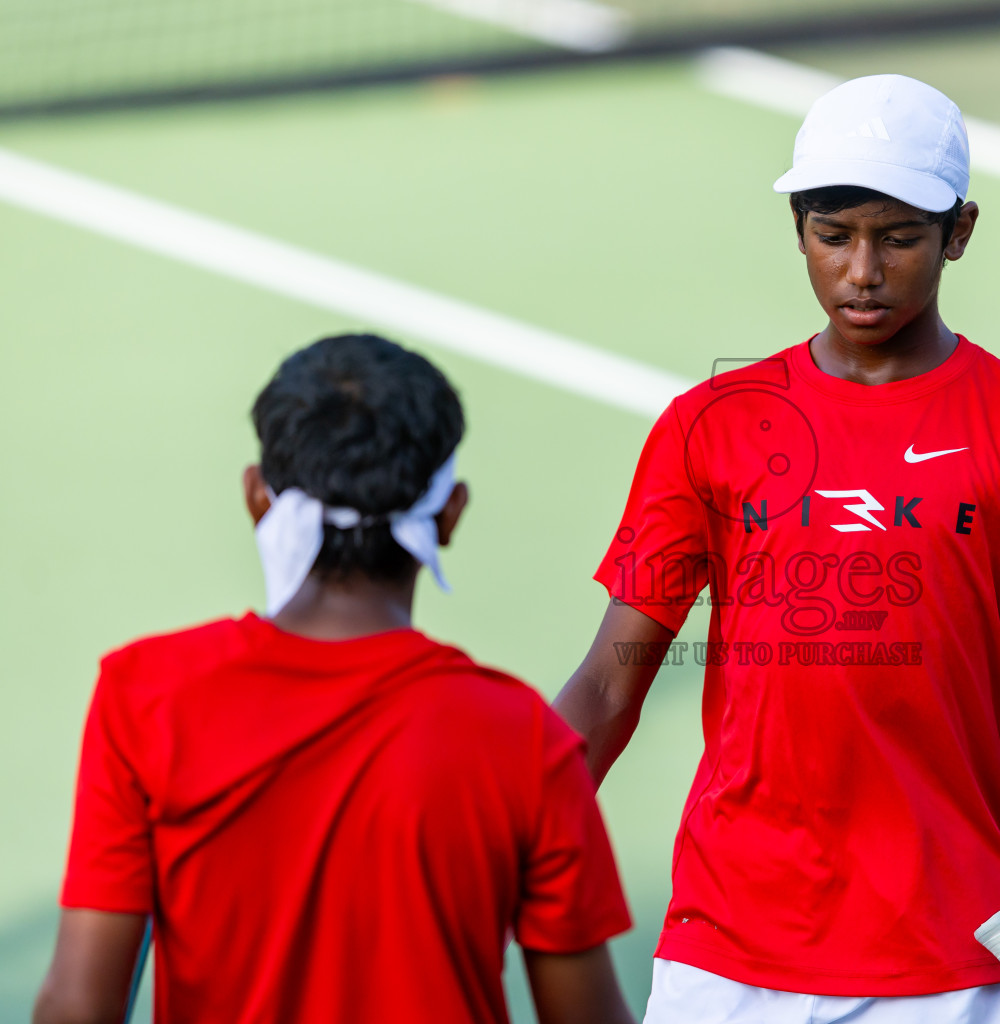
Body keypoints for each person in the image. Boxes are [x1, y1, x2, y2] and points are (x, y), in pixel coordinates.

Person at [554, 76, 1000, 1024]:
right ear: (798, 232)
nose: (861, 270)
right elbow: (612, 680)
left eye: (898, 237)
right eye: (834, 237)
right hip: (723, 957)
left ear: (959, 231)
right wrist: (504, 835)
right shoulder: (710, 426)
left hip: (946, 963)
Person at [34, 334, 635, 1024]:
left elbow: (78, 1007)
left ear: (257, 496)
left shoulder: (142, 694)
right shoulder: (525, 738)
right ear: (451, 512)